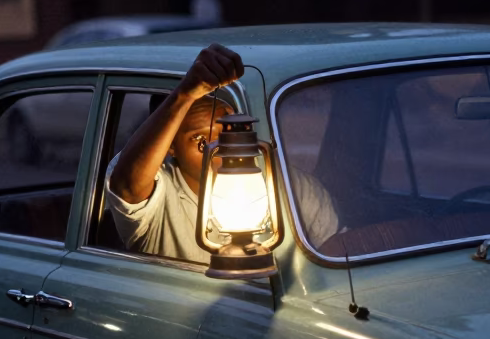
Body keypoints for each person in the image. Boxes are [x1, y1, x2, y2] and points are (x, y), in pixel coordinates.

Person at [106, 43, 338, 261]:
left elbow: (331, 254)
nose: (219, 150)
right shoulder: (160, 194)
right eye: (200, 139)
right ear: (170, 147)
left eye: (226, 133)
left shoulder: (291, 188)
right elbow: (127, 185)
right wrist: (184, 94)